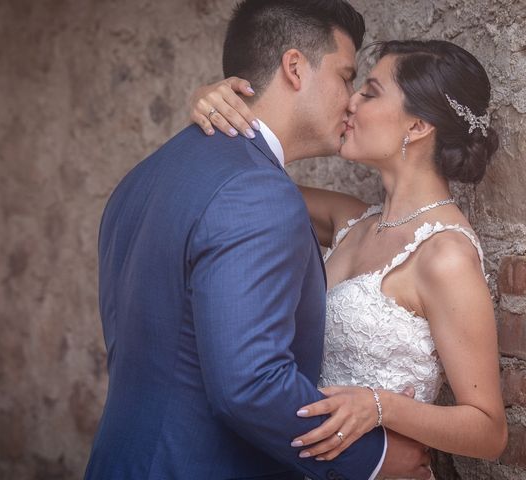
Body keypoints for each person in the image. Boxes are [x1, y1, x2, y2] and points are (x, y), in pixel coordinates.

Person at [84, 1, 433, 479]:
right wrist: (373, 458)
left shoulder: (145, 176)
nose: (351, 99)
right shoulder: (256, 192)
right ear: (294, 67)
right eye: (346, 76)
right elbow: (249, 384)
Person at [188, 38, 508, 474]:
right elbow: (240, 183)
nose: (350, 102)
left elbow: (489, 431)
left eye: (370, 92)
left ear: (416, 127)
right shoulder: (348, 220)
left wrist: (381, 408)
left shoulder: (446, 255)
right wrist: (209, 103)